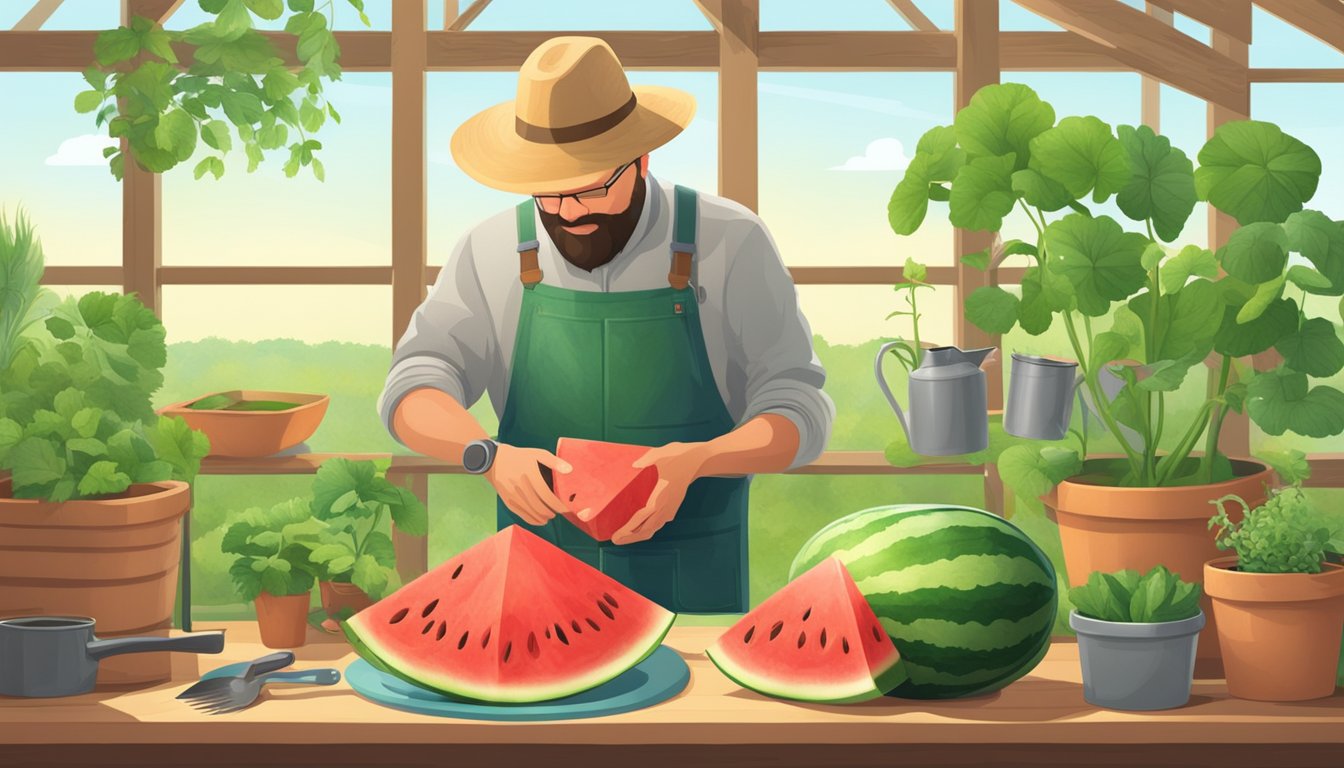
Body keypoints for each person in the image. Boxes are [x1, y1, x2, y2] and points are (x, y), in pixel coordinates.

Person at [377, 36, 833, 613]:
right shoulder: (488, 248)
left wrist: (700, 460)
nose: (570, 213)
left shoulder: (732, 240)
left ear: (642, 159)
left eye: (592, 189)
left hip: (693, 578)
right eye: (549, 194)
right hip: (535, 584)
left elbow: (800, 411)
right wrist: (487, 454)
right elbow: (411, 387)